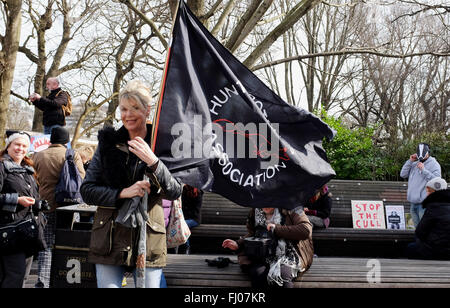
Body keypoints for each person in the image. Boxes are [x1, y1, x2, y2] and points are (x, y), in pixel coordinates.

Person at [80, 80, 183, 288]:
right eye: (124, 109)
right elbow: (87, 191)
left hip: (148, 236)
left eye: (135, 108)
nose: (128, 115)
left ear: (148, 110)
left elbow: (175, 190)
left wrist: (153, 162)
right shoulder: (108, 143)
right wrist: (122, 193)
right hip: (109, 236)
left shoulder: (164, 143)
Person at [32, 127, 86, 288]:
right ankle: (65, 278)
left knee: (46, 245)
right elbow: (81, 177)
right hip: (68, 206)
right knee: (68, 244)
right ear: (66, 140)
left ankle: (44, 281)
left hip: (45, 205)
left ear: (51, 140)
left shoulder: (38, 155)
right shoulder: (71, 154)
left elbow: (34, 180)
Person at [222, 207, 314, 288]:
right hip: (263, 254)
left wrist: (277, 229)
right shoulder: (256, 210)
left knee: (283, 275)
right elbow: (254, 234)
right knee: (257, 273)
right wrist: (238, 244)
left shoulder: (292, 207)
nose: (264, 205)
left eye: (269, 201)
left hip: (290, 254)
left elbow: (305, 230)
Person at [0, 131, 42, 288]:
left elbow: (32, 196)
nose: (20, 148)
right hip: (8, 231)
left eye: (24, 146)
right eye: (17, 144)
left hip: (26, 231)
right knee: (15, 275)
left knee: (21, 276)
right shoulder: (2, 167)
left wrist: (38, 204)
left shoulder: (27, 170)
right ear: (8, 146)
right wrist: (17, 200)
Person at [406, 177, 450, 260]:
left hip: (436, 250)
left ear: (435, 192)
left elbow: (420, 232)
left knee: (411, 247)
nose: (427, 194)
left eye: (429, 191)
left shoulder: (433, 207)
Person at [400, 143, 441, 227]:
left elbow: (437, 182)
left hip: (425, 204)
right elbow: (403, 174)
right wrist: (410, 161)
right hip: (413, 203)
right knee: (418, 230)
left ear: (428, 152)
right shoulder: (415, 164)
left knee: (426, 229)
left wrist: (423, 170)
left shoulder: (434, 164)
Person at [177, 184, 204, 254]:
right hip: (184, 218)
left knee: (183, 225)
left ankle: (186, 247)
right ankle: (180, 246)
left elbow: (196, 209)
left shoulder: (198, 193)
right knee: (180, 224)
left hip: (194, 218)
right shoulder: (184, 191)